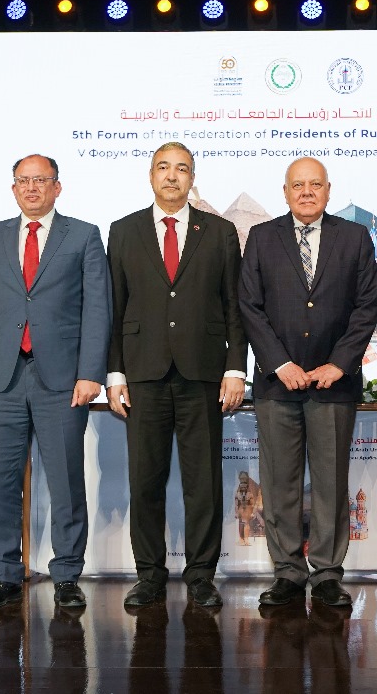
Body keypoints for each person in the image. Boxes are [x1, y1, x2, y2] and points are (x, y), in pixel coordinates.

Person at [0, 154, 111, 609]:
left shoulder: (83, 235)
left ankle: (67, 574)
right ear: (13, 188)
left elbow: (97, 309)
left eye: (40, 180)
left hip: (62, 378)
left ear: (57, 187)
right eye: (23, 180)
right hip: (2, 377)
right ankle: (5, 572)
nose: (31, 188)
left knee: (65, 480)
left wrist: (91, 373)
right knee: (2, 480)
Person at [106, 141, 248, 608]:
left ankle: (201, 576)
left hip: (203, 373)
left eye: (182, 169)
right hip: (142, 374)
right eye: (163, 168)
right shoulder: (123, 231)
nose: (172, 176)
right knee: (145, 481)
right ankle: (148, 575)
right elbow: (115, 308)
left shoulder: (220, 232)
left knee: (202, 483)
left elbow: (234, 306)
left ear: (192, 178)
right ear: (151, 176)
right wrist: (114, 373)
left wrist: (235, 368)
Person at [238, 156, 377, 607]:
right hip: (277, 384)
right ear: (285, 192)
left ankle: (328, 574)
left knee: (331, 484)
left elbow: (366, 307)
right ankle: (286, 572)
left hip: (333, 385)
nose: (306, 192)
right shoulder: (262, 237)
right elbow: (249, 306)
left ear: (328, 190)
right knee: (279, 484)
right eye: (297, 185)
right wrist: (279, 363)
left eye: (315, 184)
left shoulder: (354, 237)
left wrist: (339, 364)